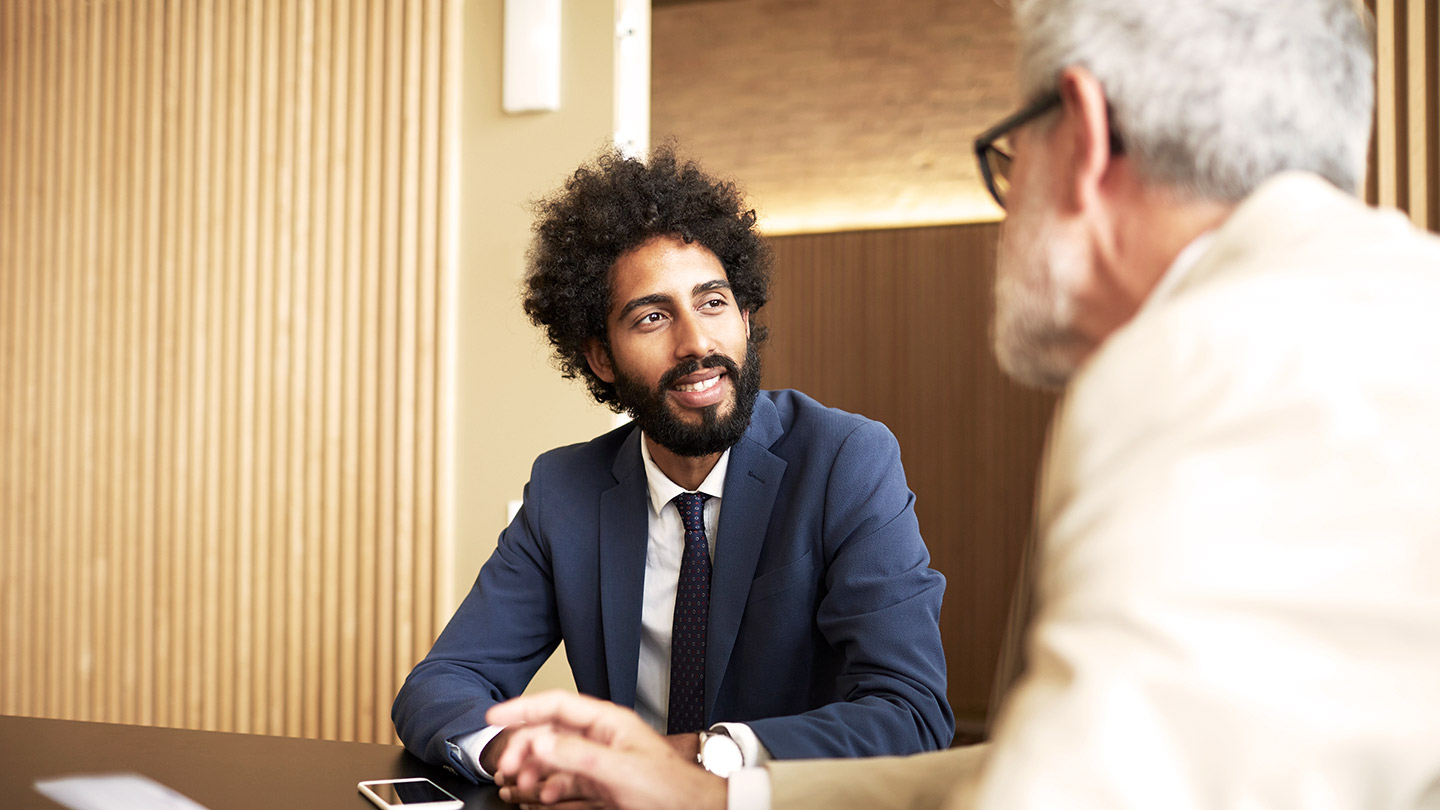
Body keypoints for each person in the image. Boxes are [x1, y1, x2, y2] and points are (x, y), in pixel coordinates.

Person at [484, 0, 1440, 808]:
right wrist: (715, 789)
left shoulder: (1194, 362)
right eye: (651, 317)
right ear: (596, 355)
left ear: (1084, 129)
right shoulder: (1376, 309)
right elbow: (1059, 760)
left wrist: (708, 767)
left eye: (1006, 154)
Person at [391, 145, 955, 787]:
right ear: (601, 358)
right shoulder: (565, 490)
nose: (697, 344)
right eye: (653, 317)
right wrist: (522, 754)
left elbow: (910, 714)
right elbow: (440, 684)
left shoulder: (844, 460)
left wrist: (699, 757)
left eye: (713, 304)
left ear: (745, 317)